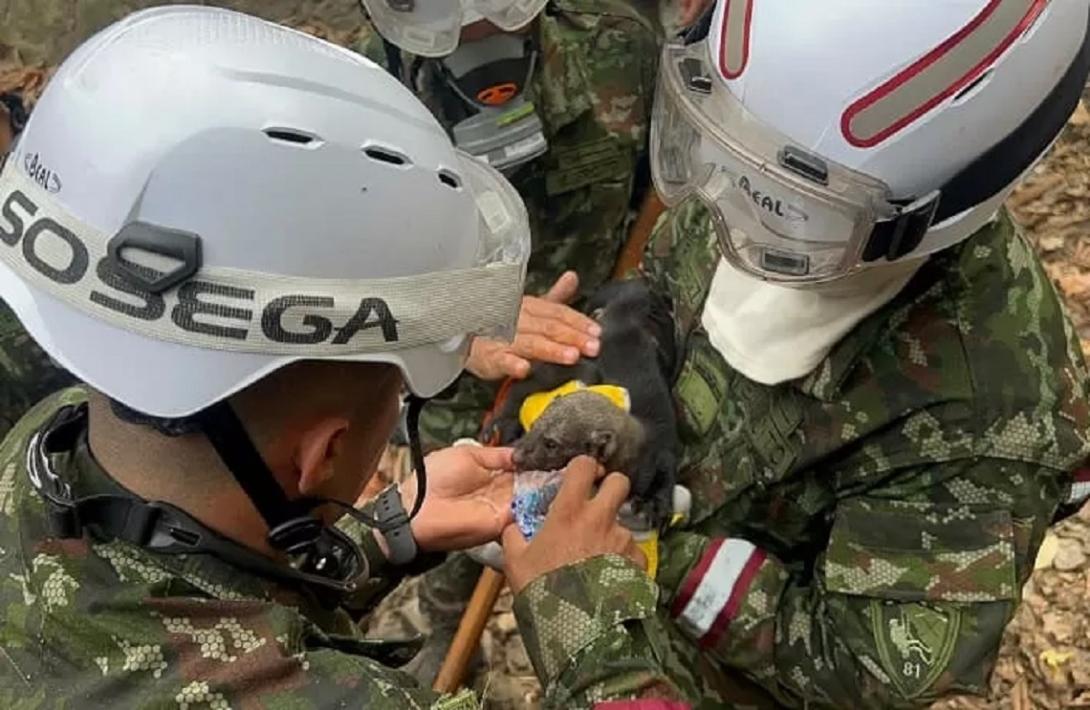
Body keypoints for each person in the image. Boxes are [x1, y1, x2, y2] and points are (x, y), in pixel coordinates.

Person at [0, 8, 702, 708]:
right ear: (322, 455)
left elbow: (182, 605)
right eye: (397, 393)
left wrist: (377, 543)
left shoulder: (44, 450)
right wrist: (590, 626)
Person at [641, 1, 1090, 707]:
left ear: (931, 211)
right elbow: (677, 275)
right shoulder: (769, 146)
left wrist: (644, 549)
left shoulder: (989, 410)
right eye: (714, 145)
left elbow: (868, 667)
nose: (724, 209)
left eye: (790, 208)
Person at [353, 0, 662, 681]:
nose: (479, 30)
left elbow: (657, 194)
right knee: (464, 512)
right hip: (456, 372)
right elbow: (334, 271)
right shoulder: (356, 95)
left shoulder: (619, 44)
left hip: (597, 346)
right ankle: (444, 630)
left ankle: (606, 641)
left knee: (602, 505)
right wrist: (461, 324)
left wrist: (629, 322)